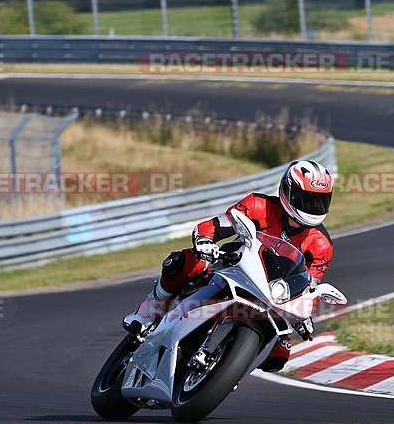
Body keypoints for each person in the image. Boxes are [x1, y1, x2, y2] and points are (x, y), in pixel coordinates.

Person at [124, 159, 335, 371]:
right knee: (184, 262)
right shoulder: (258, 205)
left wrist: (302, 316)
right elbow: (218, 224)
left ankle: (226, 367)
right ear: (287, 191)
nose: (313, 207)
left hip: (272, 295)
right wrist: (205, 241)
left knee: (278, 357)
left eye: (320, 201)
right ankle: (150, 309)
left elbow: (309, 286)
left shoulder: (322, 245)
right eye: (307, 200)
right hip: (233, 266)